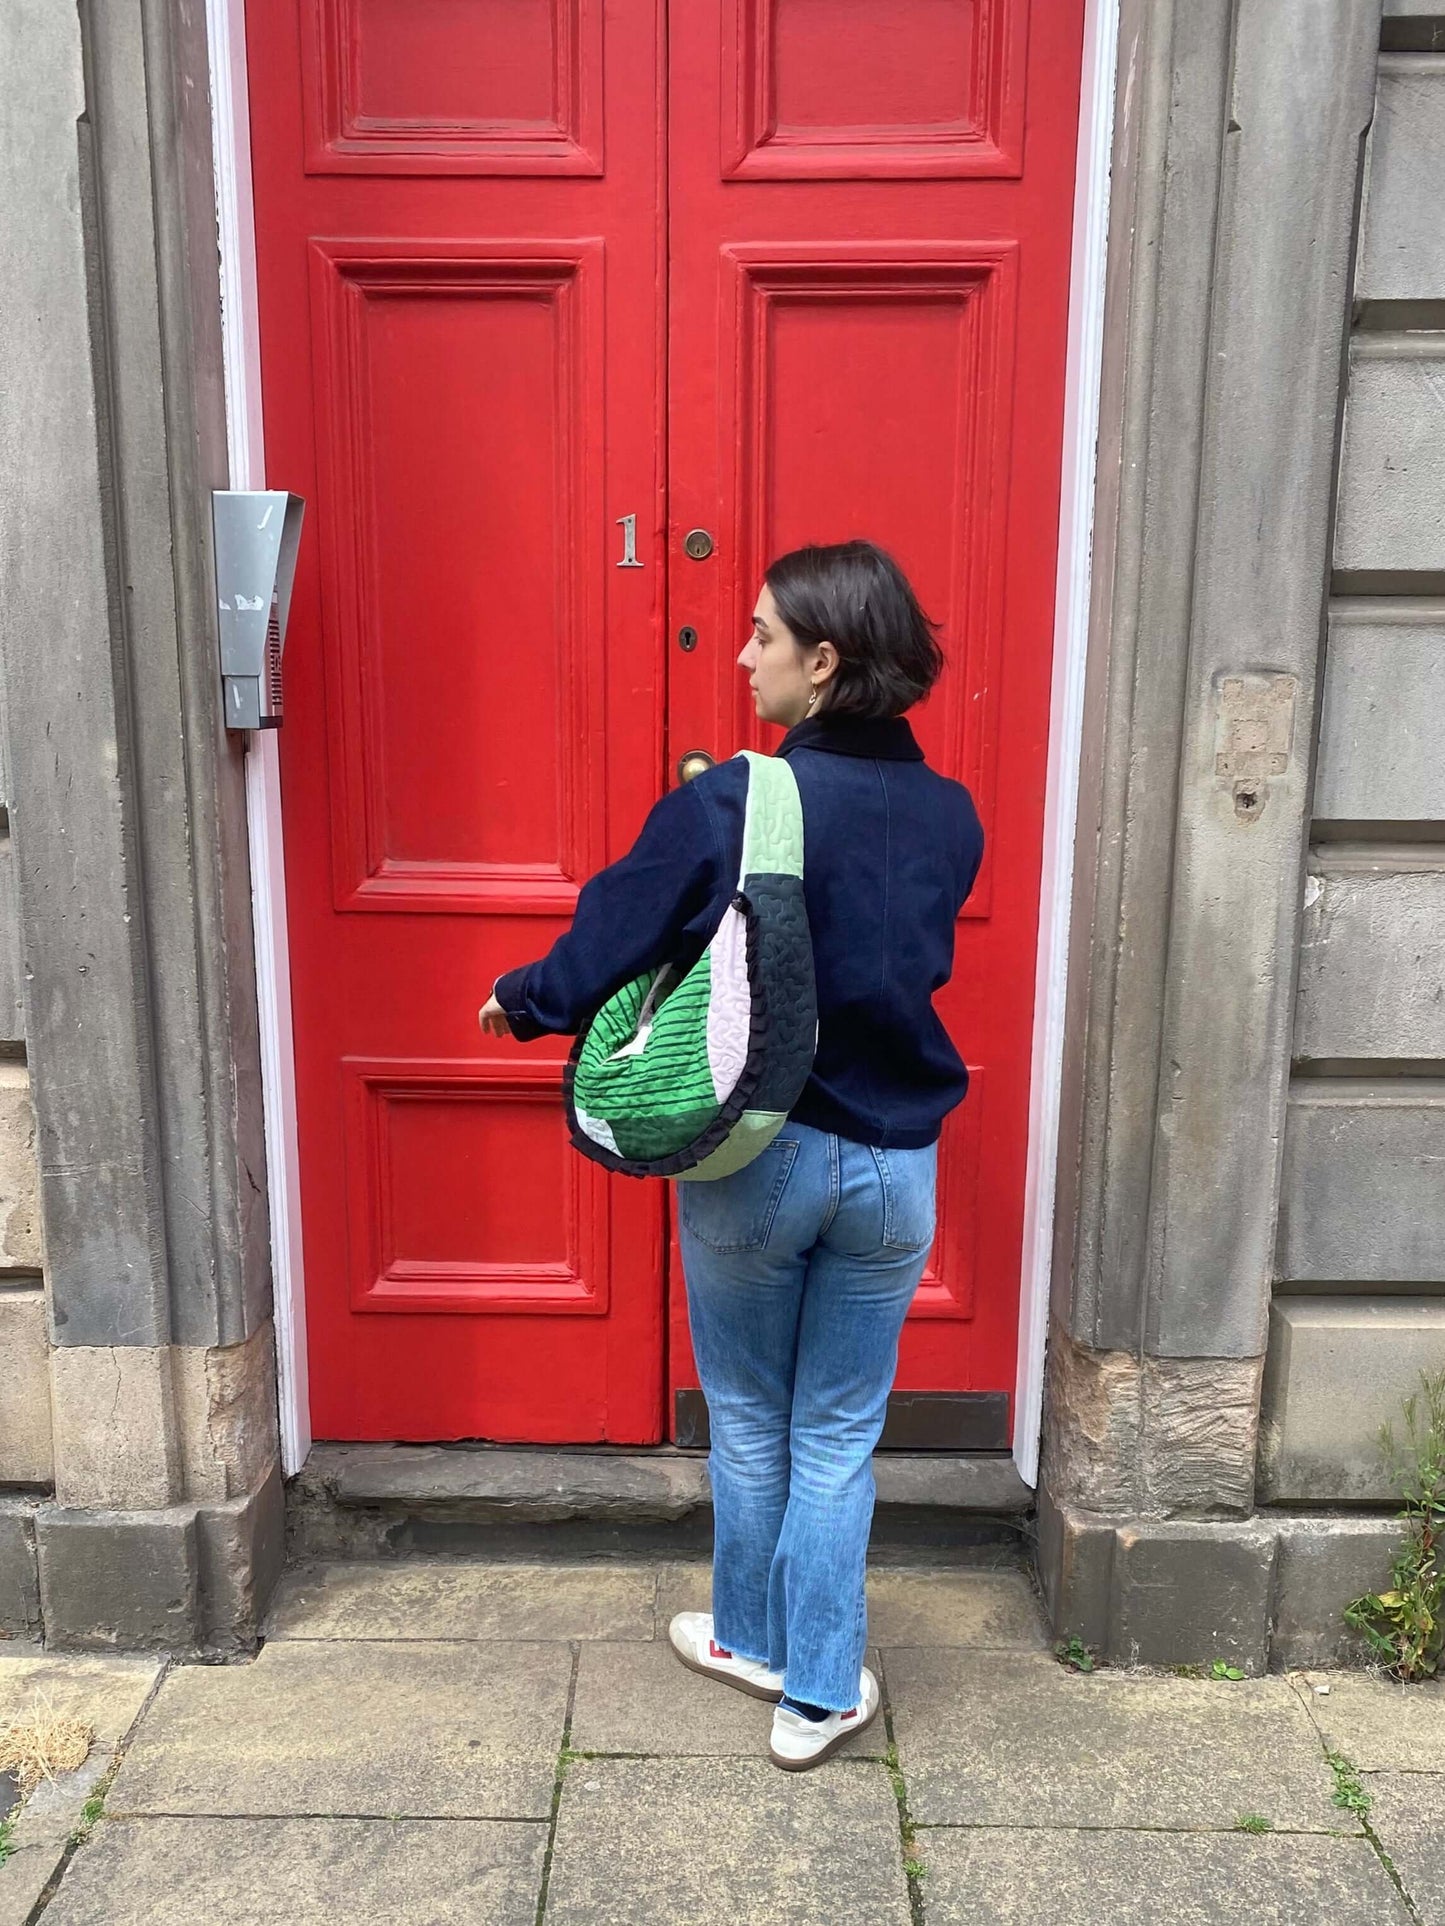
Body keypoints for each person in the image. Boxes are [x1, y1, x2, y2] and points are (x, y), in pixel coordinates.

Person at [479, 538, 984, 1770]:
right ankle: (806, 1682)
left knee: (752, 1420)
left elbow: (613, 927)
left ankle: (777, 1656)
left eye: (762, 635)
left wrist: (522, 998)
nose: (743, 653)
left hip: (759, 1161)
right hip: (892, 1171)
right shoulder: (950, 814)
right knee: (837, 1435)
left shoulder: (736, 799)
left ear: (822, 663)